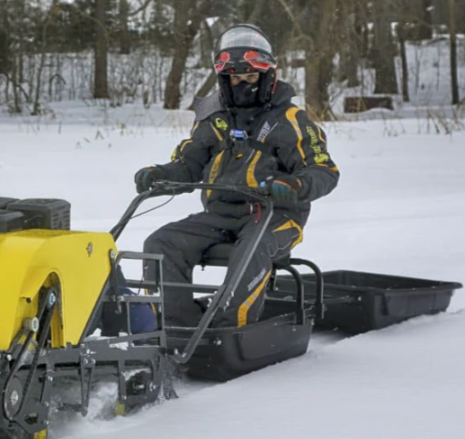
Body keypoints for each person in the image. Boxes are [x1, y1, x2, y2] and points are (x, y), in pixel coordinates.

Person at [134, 23, 339, 328]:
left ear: (268, 76)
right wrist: (160, 175)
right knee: (161, 242)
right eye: (234, 78)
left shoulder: (290, 120)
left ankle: (231, 330)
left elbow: (324, 170)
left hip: (277, 216)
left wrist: (296, 184)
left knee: (252, 249)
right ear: (223, 81)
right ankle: (174, 327)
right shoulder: (214, 119)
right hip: (219, 216)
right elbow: (189, 164)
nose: (243, 84)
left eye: (250, 77)